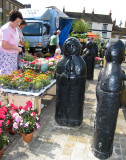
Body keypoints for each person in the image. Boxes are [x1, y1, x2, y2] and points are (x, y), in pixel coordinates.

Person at [0, 10, 23, 75]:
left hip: (12, 56)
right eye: (17, 22)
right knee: (6, 75)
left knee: (12, 75)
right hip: (6, 57)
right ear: (12, 20)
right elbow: (4, 45)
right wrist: (16, 48)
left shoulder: (15, 28)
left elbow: (16, 40)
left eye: (20, 22)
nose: (19, 24)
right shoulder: (6, 29)